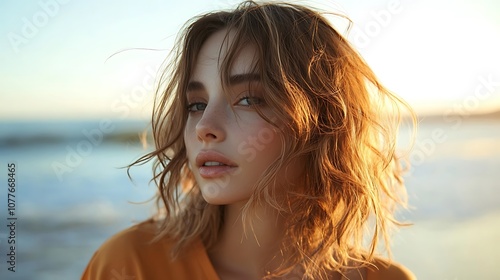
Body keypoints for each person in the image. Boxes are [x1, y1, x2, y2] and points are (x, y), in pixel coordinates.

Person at [82, 1, 416, 279]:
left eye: (249, 99)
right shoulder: (130, 266)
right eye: (196, 105)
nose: (204, 127)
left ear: (325, 120)